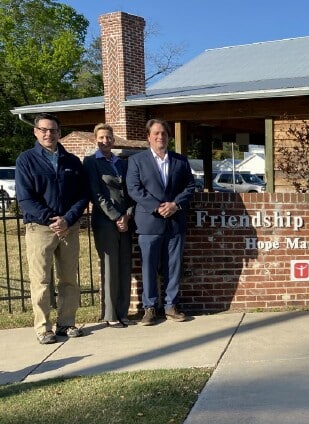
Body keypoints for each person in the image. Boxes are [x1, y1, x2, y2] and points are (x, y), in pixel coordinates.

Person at [15, 113, 87, 344]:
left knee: (69, 279)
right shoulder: (26, 160)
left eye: (53, 130)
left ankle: (66, 323)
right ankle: (43, 328)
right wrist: (51, 219)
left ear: (59, 132)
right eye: (44, 130)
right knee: (41, 280)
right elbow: (25, 198)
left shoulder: (72, 161)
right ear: (35, 131)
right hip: (40, 229)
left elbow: (82, 195)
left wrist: (68, 219)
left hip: (69, 227)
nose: (49, 134)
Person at [127, 119, 195, 325]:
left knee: (173, 266)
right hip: (149, 222)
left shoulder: (180, 161)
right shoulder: (137, 161)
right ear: (148, 137)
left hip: (175, 222)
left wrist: (175, 205)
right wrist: (157, 207)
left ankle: (171, 306)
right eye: (156, 133)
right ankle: (149, 308)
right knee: (148, 266)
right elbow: (134, 188)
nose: (160, 137)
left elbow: (190, 186)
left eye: (164, 133)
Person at [84, 123, 134, 328]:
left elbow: (130, 190)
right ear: (96, 139)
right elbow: (96, 194)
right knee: (110, 267)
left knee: (124, 266)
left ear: (114, 140)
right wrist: (116, 217)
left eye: (109, 137)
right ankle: (111, 314)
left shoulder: (121, 162)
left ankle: (123, 312)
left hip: (126, 220)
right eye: (102, 137)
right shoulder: (90, 162)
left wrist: (127, 216)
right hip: (105, 222)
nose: (106, 141)